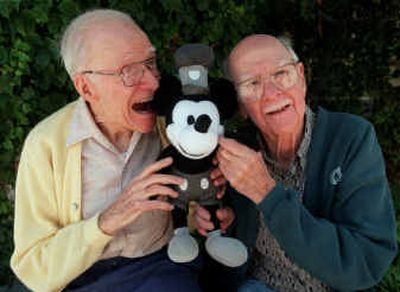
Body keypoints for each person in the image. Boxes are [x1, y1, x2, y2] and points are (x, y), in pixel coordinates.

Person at [10, 9, 224, 292]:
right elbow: (33, 264)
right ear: (86, 87)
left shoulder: (173, 125)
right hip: (79, 279)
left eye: (150, 63)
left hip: (158, 268)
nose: (153, 82)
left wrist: (205, 215)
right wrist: (106, 221)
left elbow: (193, 200)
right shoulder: (46, 144)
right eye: (130, 72)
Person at [195, 34, 398, 291]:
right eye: (252, 84)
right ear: (240, 106)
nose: (271, 93)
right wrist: (221, 222)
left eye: (282, 74)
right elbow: (233, 237)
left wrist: (266, 192)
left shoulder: (351, 138)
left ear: (301, 78)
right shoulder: (236, 152)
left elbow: (362, 264)